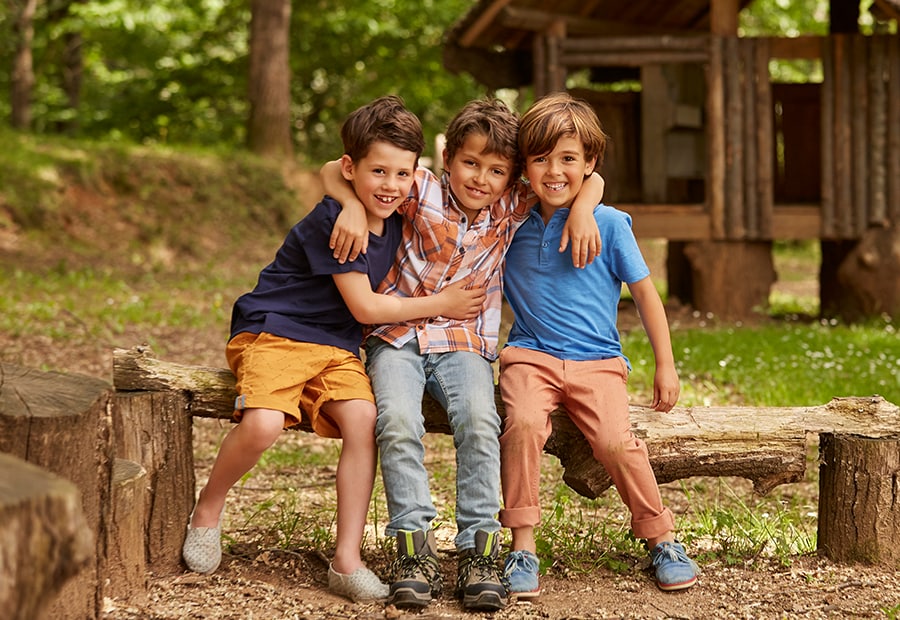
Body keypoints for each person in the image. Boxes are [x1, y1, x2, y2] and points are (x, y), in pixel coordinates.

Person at [180, 95, 487, 604]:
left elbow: (333, 170)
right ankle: (208, 510)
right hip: (278, 332)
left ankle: (346, 560)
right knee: (263, 423)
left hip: (337, 346)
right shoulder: (334, 222)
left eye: (402, 174)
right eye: (378, 172)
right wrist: (443, 302)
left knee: (363, 420)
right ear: (352, 169)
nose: (390, 185)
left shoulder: (395, 211)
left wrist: (352, 199)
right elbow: (365, 307)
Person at [322, 97, 605, 612]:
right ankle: (413, 550)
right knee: (396, 422)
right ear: (447, 157)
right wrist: (349, 205)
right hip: (396, 337)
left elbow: (590, 177)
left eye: (497, 170)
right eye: (470, 163)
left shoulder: (512, 203)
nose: (481, 179)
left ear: (511, 175)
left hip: (464, 343)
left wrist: (584, 208)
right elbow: (332, 169)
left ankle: (479, 549)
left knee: (479, 419)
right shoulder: (420, 189)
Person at [497, 92, 699, 600]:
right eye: (540, 159)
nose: (554, 171)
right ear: (523, 165)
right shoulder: (509, 219)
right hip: (530, 356)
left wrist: (666, 366)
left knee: (615, 442)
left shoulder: (609, 223)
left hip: (598, 361)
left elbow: (646, 296)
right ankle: (522, 546)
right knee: (522, 424)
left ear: (589, 164)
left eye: (568, 159)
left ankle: (662, 539)